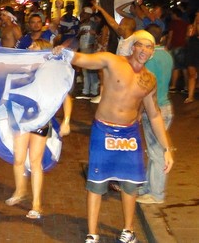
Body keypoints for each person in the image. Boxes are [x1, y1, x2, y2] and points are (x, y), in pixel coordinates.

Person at [52, 30, 175, 243]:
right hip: (104, 131)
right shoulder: (112, 61)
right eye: (141, 45)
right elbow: (85, 59)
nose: (144, 50)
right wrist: (65, 53)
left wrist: (167, 148)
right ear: (133, 46)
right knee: (97, 184)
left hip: (130, 134)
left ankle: (128, 231)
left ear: (152, 53)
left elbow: (154, 115)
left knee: (130, 185)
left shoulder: (149, 79)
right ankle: (92, 233)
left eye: (149, 47)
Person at [5, 39, 64, 219]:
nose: (29, 47)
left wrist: (67, 120)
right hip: (20, 119)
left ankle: (37, 204)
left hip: (39, 121)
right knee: (18, 159)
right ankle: (20, 190)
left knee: (35, 162)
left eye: (33, 46)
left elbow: (66, 96)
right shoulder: (23, 66)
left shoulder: (50, 73)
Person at [136, 24, 174, 204]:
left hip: (155, 109)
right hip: (165, 106)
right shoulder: (167, 55)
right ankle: (148, 186)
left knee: (156, 152)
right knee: (153, 151)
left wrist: (139, 111)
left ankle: (157, 193)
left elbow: (146, 89)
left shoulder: (150, 59)